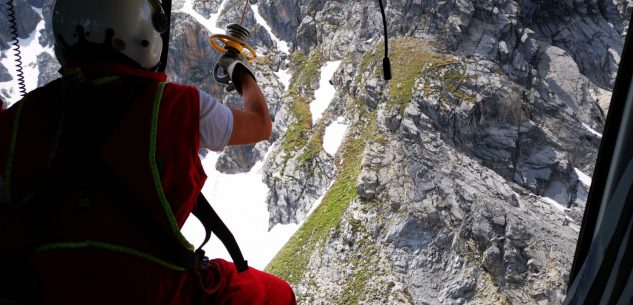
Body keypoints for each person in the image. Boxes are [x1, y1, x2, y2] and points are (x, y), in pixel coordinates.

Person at [0, 0, 296, 304]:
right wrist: (239, 72)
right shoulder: (179, 106)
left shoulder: (17, 119)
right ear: (142, 32)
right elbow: (260, 124)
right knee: (277, 295)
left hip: (46, 288)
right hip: (157, 290)